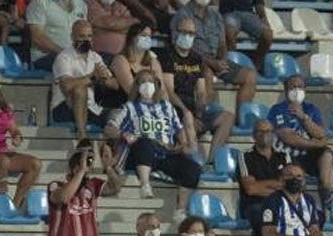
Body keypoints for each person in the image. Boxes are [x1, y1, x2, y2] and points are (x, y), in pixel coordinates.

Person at [106, 69, 198, 219]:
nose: (147, 85)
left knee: (193, 169)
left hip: (165, 152)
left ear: (157, 85)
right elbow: (109, 129)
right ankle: (145, 184)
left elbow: (178, 129)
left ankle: (180, 209)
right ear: (137, 86)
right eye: (142, 81)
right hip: (139, 152)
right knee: (145, 142)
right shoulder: (129, 107)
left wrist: (184, 143)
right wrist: (123, 134)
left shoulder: (167, 107)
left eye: (150, 81)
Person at [159, 16, 232, 166]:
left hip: (193, 112)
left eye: (191, 33)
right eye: (184, 32)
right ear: (176, 33)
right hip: (175, 111)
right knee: (186, 122)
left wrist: (198, 115)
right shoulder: (167, 55)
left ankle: (211, 160)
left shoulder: (196, 59)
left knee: (227, 117)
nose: (187, 36)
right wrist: (187, 113)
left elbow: (201, 92)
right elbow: (169, 91)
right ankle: (191, 161)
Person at [47, 143, 123, 236]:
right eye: (81, 163)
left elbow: (116, 187)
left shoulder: (92, 185)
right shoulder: (56, 185)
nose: (86, 167)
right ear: (73, 167)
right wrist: (80, 172)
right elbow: (64, 198)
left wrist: (108, 168)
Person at [0, 66, 42, 211]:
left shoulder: (3, 105)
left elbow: (14, 129)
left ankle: (15, 205)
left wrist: (17, 136)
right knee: (3, 161)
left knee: (35, 164)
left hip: (3, 151)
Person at [170, 0, 256, 106]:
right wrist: (211, 63)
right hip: (194, 60)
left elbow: (222, 44)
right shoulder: (182, 15)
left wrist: (223, 60)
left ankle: (242, 120)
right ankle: (206, 115)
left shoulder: (216, 16)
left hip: (216, 59)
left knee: (250, 76)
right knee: (207, 73)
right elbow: (181, 46)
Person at [268, 75, 333, 207]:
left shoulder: (311, 109)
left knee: (327, 154)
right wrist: (315, 144)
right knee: (295, 172)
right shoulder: (277, 110)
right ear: (286, 90)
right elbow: (289, 137)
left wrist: (304, 118)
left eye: (300, 87)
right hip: (287, 156)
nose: (297, 90)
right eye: (293, 86)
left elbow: (320, 133)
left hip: (308, 156)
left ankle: (326, 191)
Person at [51, 20, 122, 137]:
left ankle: (111, 144)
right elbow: (67, 86)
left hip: (91, 108)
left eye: (89, 36)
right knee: (80, 89)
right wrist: (93, 77)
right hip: (65, 107)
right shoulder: (63, 57)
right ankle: (82, 136)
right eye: (82, 36)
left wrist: (104, 79)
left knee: (119, 114)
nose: (86, 40)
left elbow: (115, 85)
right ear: (72, 37)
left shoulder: (95, 57)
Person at [237, 119, 286, 233]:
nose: (264, 134)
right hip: (254, 204)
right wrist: (276, 186)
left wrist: (260, 184)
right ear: (254, 135)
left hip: (280, 204)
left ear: (273, 134)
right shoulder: (246, 156)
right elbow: (251, 189)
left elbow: (289, 186)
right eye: (260, 131)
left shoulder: (283, 156)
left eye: (268, 131)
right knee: (262, 213)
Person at [26, 0, 89, 71]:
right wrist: (64, 53)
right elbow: (37, 38)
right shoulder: (39, 3)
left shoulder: (81, 4)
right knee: (70, 65)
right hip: (45, 57)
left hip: (74, 57)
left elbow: (84, 33)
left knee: (100, 60)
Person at [110, 22, 162, 100]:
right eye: (144, 35)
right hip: (124, 107)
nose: (147, 39)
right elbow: (131, 91)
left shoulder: (153, 62)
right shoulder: (120, 60)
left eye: (149, 36)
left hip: (151, 106)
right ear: (132, 38)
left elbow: (162, 90)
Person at [220, 0, 270, 70]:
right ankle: (232, 65)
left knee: (267, 34)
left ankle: (256, 65)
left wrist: (264, 18)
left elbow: (258, 3)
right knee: (229, 34)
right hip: (229, 13)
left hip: (248, 15)